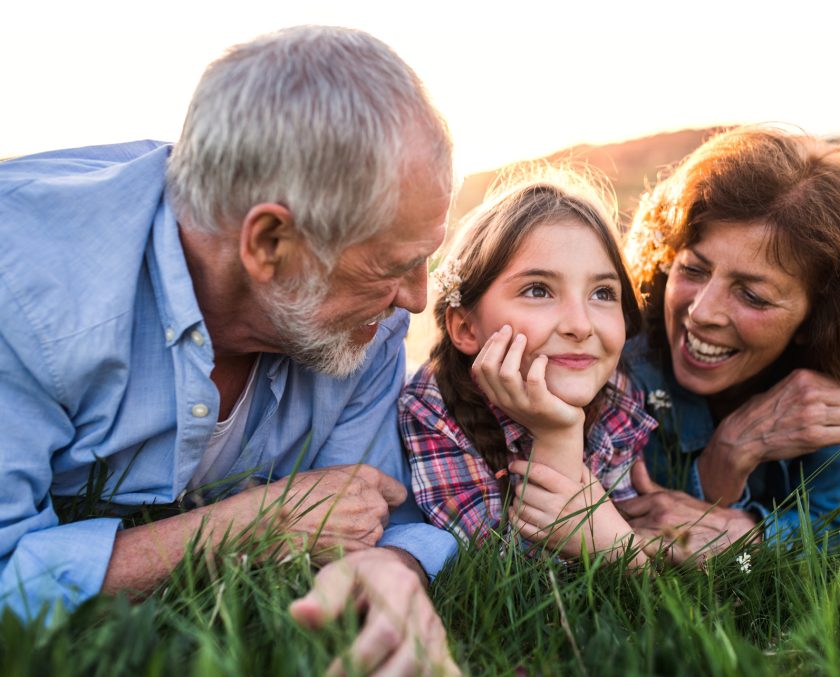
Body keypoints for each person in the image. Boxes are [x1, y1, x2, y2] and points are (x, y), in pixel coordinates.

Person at [0, 26, 459, 673]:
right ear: (269, 242)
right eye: (394, 266)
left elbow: (361, 514)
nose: (416, 299)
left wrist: (388, 564)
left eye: (425, 262)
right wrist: (248, 523)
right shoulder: (23, 291)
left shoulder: (365, 323)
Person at [608, 125, 840, 560]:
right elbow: (621, 525)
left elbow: (836, 530)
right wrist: (722, 467)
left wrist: (750, 531)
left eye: (752, 295)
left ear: (820, 320)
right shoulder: (616, 361)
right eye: (694, 270)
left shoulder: (827, 394)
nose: (701, 312)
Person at [399, 166, 657, 563]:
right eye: (539, 290)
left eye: (603, 293)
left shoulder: (614, 393)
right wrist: (557, 437)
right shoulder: (433, 412)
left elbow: (616, 532)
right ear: (466, 327)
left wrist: (619, 542)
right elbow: (510, 584)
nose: (579, 325)